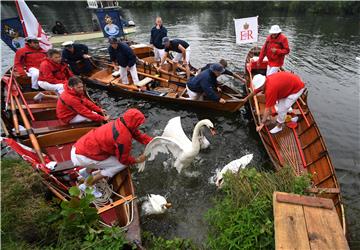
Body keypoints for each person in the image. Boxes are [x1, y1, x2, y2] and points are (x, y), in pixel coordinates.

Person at [71, 108, 153, 194]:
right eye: (138, 124)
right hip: (82, 157)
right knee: (121, 165)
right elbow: (123, 160)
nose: (139, 126)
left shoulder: (120, 122)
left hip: (79, 148)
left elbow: (138, 135)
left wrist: (153, 141)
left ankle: (85, 172)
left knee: (103, 154)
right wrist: (137, 160)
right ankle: (87, 185)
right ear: (134, 123)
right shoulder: (123, 137)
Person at [241, 72, 305, 134]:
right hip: (292, 83)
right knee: (282, 104)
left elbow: (267, 109)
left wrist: (262, 123)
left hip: (297, 89)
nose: (259, 89)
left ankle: (279, 127)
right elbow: (255, 91)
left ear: (261, 85)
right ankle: (288, 112)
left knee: (282, 110)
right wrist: (246, 98)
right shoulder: (266, 80)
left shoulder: (270, 90)